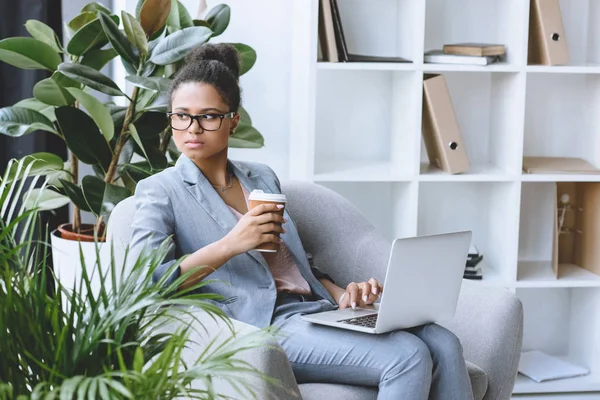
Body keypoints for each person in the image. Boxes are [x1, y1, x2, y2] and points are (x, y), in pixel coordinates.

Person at [129, 42, 474, 400]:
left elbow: (294, 266)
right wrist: (232, 244)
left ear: (233, 119)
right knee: (406, 356)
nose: (192, 128)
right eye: (181, 115)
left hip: (316, 311)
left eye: (208, 115)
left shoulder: (261, 178)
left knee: (445, 343)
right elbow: (146, 284)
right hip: (261, 325)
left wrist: (344, 294)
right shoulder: (159, 191)